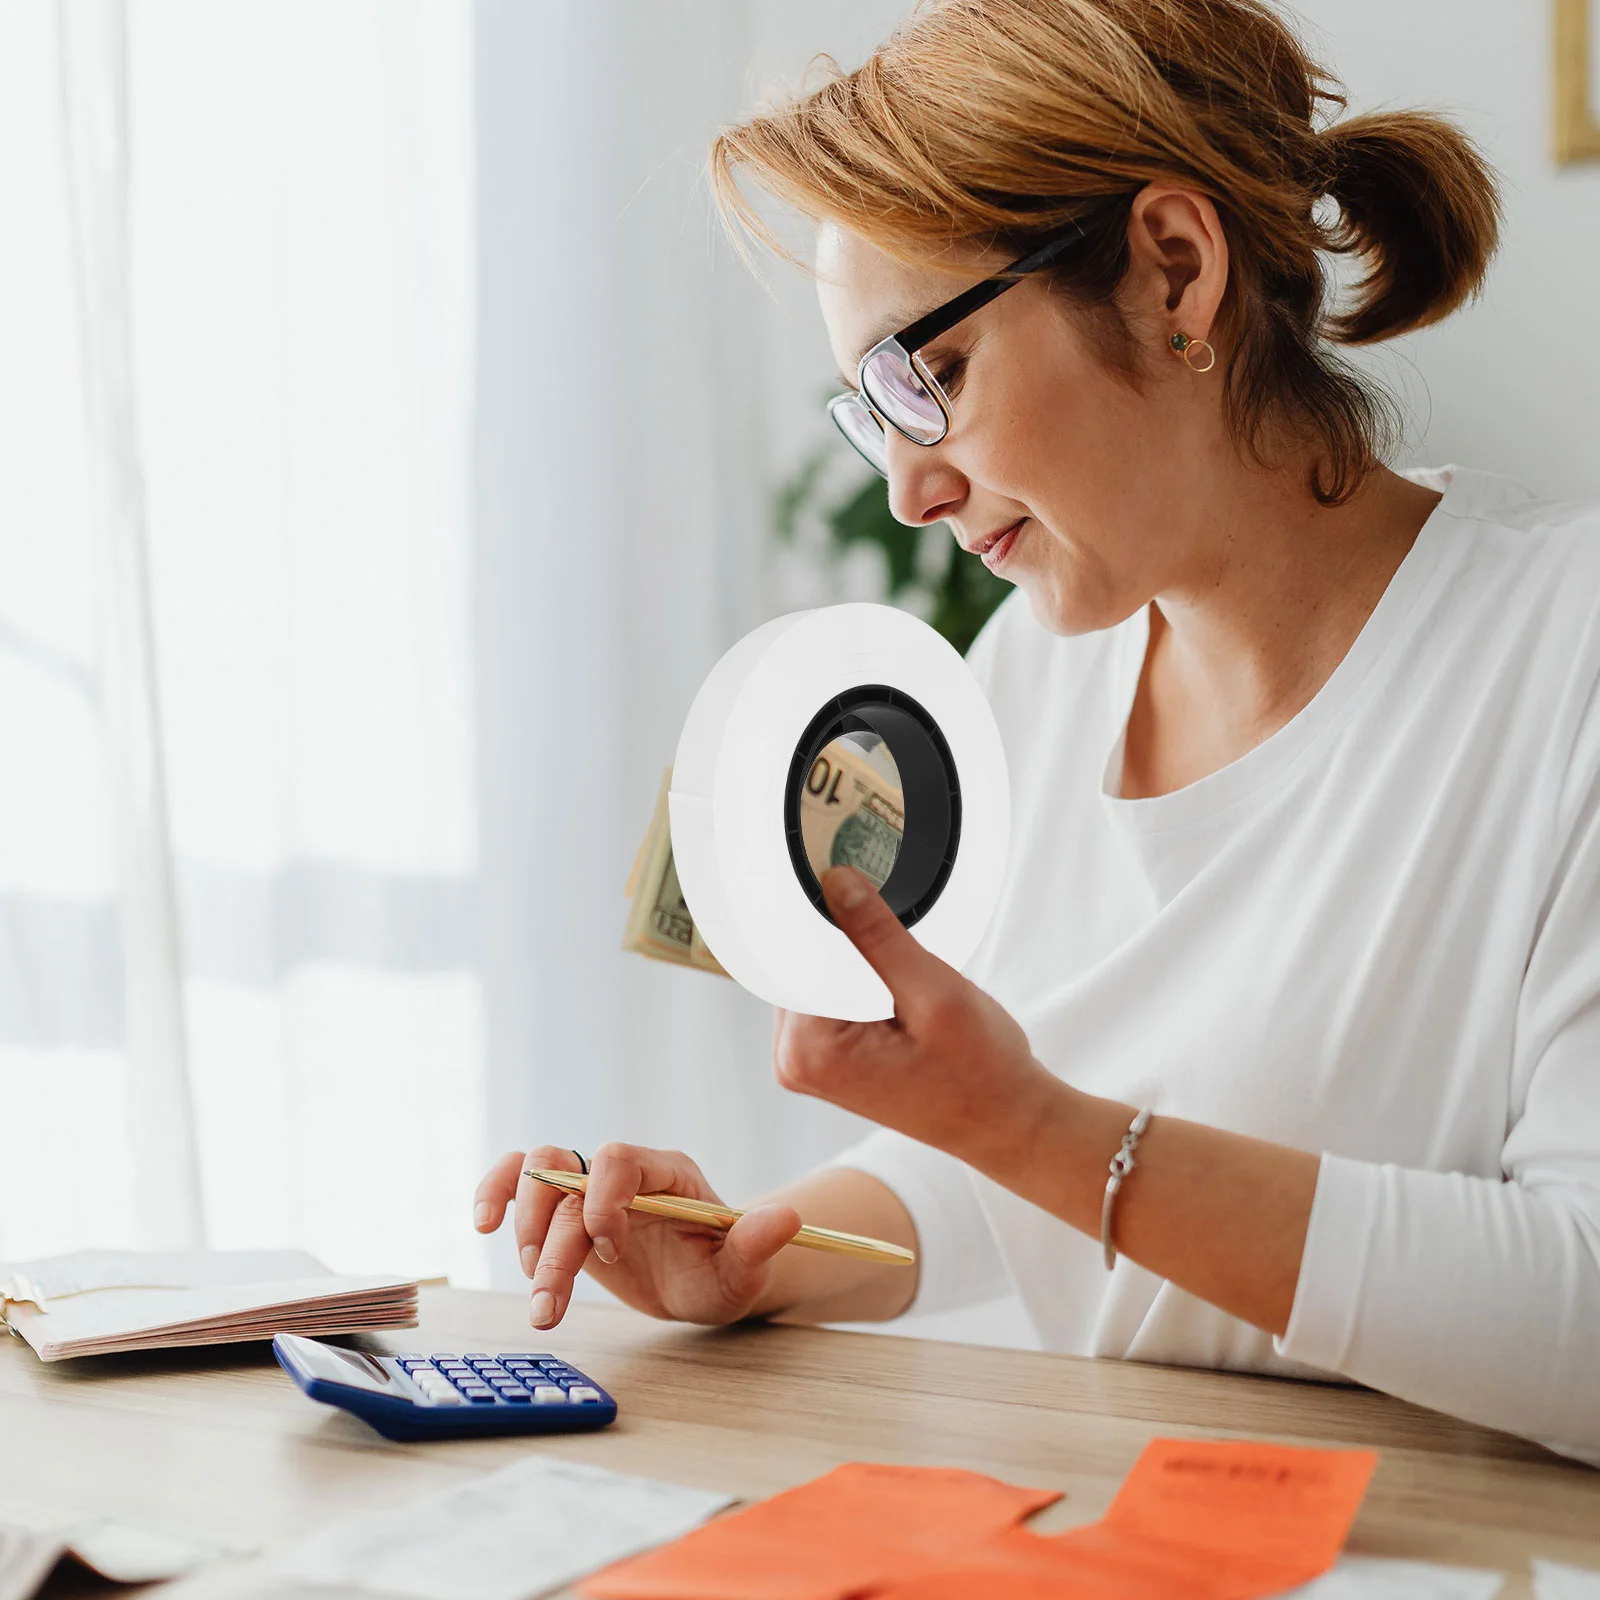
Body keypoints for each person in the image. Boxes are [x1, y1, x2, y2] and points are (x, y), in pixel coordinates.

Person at [474, 0, 1600, 1464]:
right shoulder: (1036, 677)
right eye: (872, 410)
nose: (907, 490)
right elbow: (1025, 1169)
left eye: (929, 378)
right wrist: (758, 1253)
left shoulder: (1565, 653)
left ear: (1175, 271)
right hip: (1133, 1528)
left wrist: (1027, 1127)